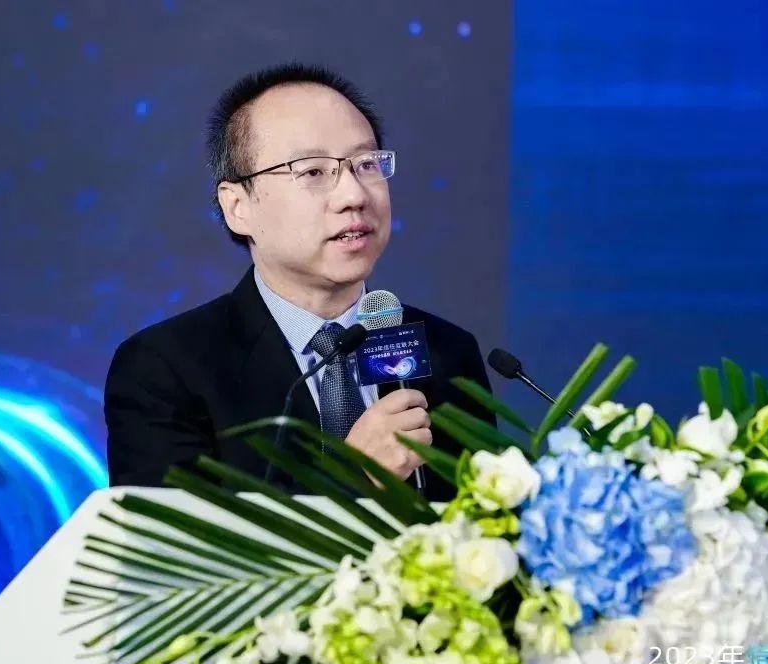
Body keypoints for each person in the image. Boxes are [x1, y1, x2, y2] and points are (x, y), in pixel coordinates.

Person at [104, 63, 494, 500]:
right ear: (237, 207)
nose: (354, 196)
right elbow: (177, 539)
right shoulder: (164, 370)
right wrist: (352, 475)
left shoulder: (448, 352)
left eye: (366, 164)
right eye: (312, 172)